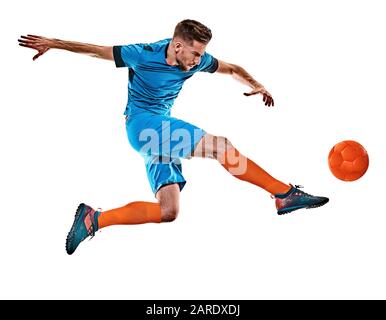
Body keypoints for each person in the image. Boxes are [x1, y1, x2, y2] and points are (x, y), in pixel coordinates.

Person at [18, 19, 329, 255]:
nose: (197, 60)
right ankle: (283, 194)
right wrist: (54, 42)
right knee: (221, 147)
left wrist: (256, 84)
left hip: (156, 134)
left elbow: (232, 68)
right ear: (177, 46)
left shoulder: (196, 60)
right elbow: (95, 51)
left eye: (201, 55)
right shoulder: (142, 54)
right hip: (144, 126)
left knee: (168, 211)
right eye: (194, 53)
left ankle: (93, 220)